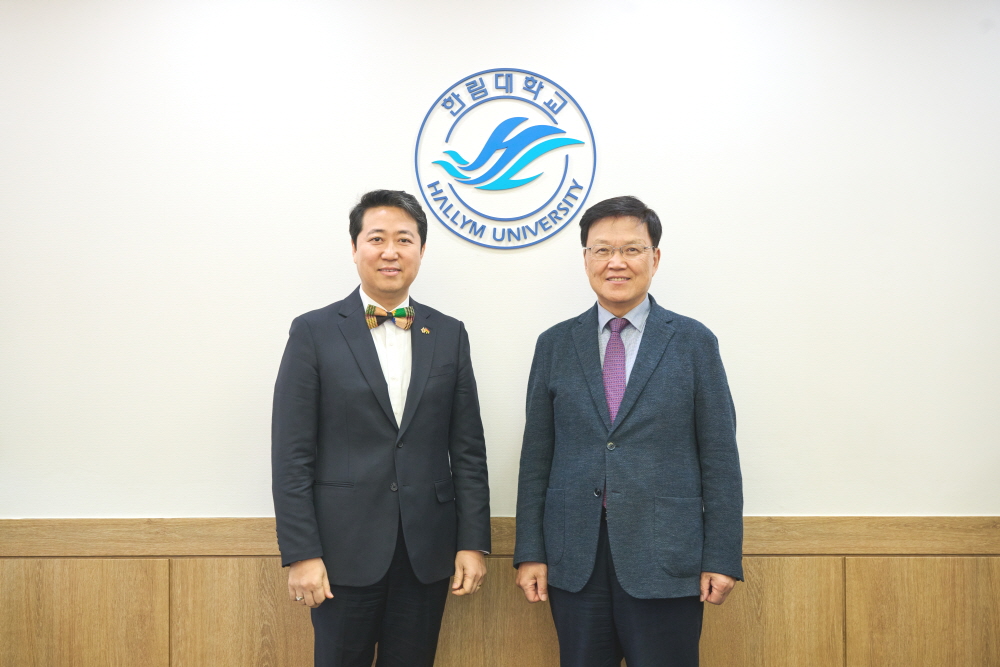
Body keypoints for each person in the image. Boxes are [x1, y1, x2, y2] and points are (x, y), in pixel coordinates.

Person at [514, 195, 743, 667]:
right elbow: (536, 457)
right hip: (574, 558)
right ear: (586, 259)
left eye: (631, 249)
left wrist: (722, 556)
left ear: (654, 258)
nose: (616, 262)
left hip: (667, 557)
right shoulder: (555, 344)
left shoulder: (694, 342)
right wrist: (530, 551)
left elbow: (720, 457)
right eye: (602, 250)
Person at [271, 189, 491, 667]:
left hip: (426, 552)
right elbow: (291, 455)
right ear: (355, 248)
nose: (391, 251)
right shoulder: (313, 331)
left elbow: (468, 450)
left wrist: (473, 543)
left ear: (421, 250)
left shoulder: (449, 333)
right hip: (340, 554)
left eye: (404, 240)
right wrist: (302, 553)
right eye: (377, 239)